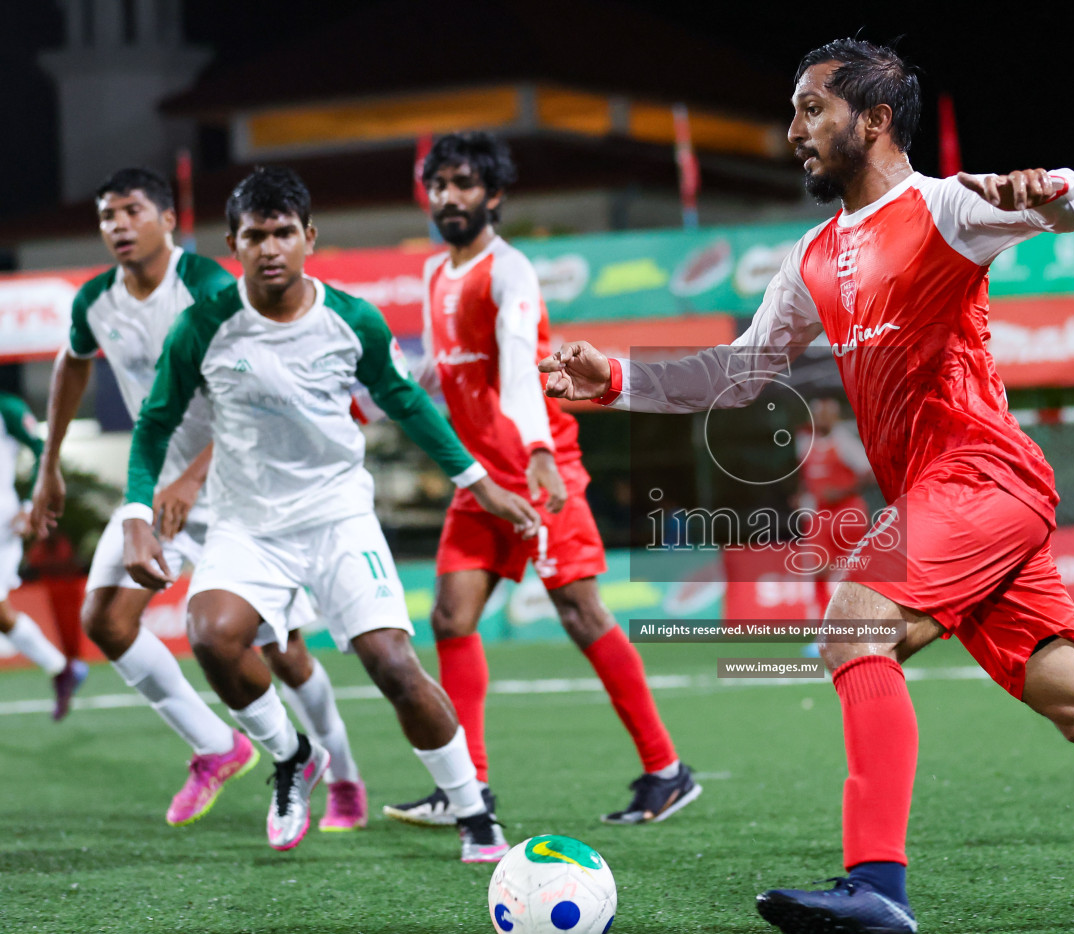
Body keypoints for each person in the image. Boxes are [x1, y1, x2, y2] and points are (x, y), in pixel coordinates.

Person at [542, 39, 1074, 934]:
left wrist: (1044, 188)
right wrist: (614, 378)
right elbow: (740, 373)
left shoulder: (944, 207)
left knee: (854, 624)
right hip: (951, 501)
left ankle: (877, 887)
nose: (793, 130)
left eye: (812, 108)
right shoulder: (813, 257)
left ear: (875, 119)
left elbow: (1067, 205)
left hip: (984, 475)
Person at [119, 166, 541, 860]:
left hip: (337, 515)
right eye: (255, 235)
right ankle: (291, 757)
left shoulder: (352, 320)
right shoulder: (204, 326)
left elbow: (406, 401)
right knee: (211, 634)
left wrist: (478, 480)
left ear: (309, 237)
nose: (270, 247)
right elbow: (156, 422)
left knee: (393, 665)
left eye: (284, 232)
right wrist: (137, 508)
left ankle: (473, 811)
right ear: (235, 244)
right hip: (246, 522)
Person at [378, 133, 699, 829]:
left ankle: (667, 771)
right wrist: (371, 394)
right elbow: (441, 372)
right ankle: (468, 789)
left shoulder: (510, 271)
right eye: (438, 185)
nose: (448, 197)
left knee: (582, 615)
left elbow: (523, 366)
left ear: (492, 195)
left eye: (463, 183)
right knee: (450, 618)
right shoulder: (436, 275)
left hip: (537, 470)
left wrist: (538, 454)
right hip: (480, 482)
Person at [32, 168, 366, 830]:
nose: (118, 226)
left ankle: (346, 778)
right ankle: (218, 747)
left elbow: (259, 403)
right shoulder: (94, 301)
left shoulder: (211, 290)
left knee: (283, 653)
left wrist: (193, 479)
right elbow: (74, 362)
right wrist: (50, 465)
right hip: (158, 490)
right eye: (106, 216)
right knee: (107, 620)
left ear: (167, 220)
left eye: (131, 211)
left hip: (247, 493)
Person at [0, 391, 87, 718]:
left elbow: (43, 451)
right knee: (2, 616)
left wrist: (30, 507)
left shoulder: (7, 409)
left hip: (2, 524)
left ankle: (62, 667)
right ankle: (62, 668)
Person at [794, 397, 873, 616]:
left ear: (835, 418)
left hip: (847, 512)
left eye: (826, 416)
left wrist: (842, 492)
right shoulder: (803, 442)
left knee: (852, 570)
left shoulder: (844, 442)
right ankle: (822, 624)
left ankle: (856, 620)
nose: (821, 420)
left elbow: (868, 475)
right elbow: (805, 475)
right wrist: (801, 494)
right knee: (818, 568)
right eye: (818, 415)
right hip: (820, 513)